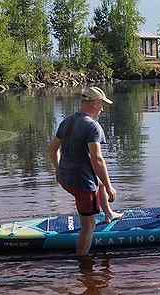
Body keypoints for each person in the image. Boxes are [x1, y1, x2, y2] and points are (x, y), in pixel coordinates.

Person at [48, 86, 123, 256]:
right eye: (101, 104)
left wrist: (58, 170)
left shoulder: (67, 121)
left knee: (99, 179)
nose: (103, 108)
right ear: (95, 103)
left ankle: (109, 213)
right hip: (81, 183)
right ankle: (83, 265)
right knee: (89, 226)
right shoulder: (93, 126)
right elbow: (97, 159)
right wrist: (110, 186)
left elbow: (52, 149)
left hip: (65, 178)